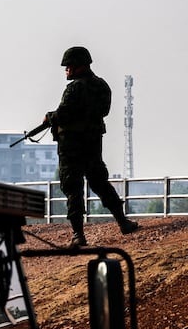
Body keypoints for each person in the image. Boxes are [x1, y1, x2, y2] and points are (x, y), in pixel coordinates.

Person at [44, 46, 138, 248]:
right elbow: (103, 111)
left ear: (80, 66)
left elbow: (64, 113)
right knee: (100, 182)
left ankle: (78, 235)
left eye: (69, 66)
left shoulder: (74, 88)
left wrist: (49, 117)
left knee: (73, 187)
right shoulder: (102, 86)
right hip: (93, 144)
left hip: (71, 147)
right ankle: (123, 222)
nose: (66, 70)